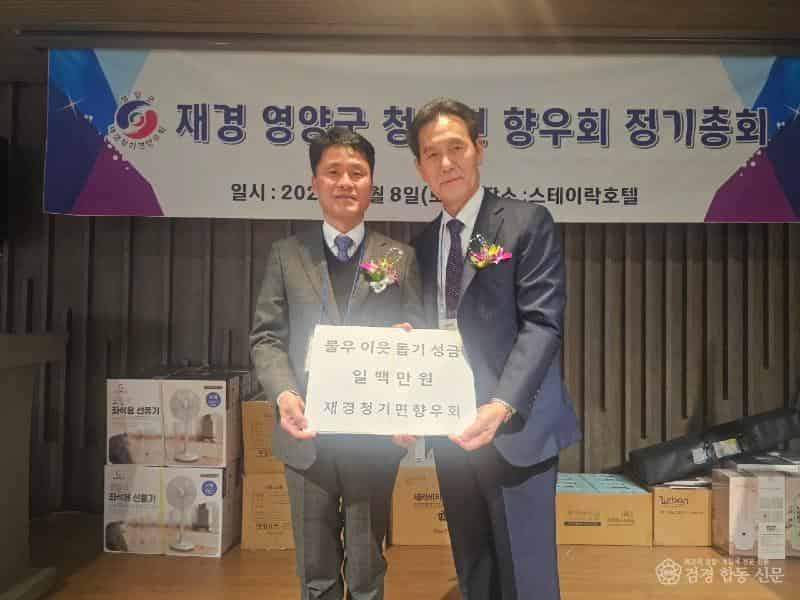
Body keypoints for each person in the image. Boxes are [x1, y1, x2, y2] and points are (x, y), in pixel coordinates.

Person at [402, 98, 582, 600]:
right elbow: (423, 332)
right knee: (474, 570)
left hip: (515, 429)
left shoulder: (526, 222)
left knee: (527, 579)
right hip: (452, 433)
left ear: (479, 150)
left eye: (456, 148)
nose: (446, 163)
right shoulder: (421, 245)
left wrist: (501, 404)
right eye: (431, 154)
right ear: (419, 168)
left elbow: (543, 324)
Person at [250, 126, 424, 600]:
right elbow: (266, 336)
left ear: (371, 184)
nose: (345, 182)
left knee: (368, 564)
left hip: (373, 436)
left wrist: (406, 400)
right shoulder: (287, 255)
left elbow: (417, 340)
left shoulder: (400, 258)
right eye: (333, 172)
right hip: (306, 431)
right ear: (315, 183)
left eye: (357, 172)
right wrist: (285, 394)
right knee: (315, 568)